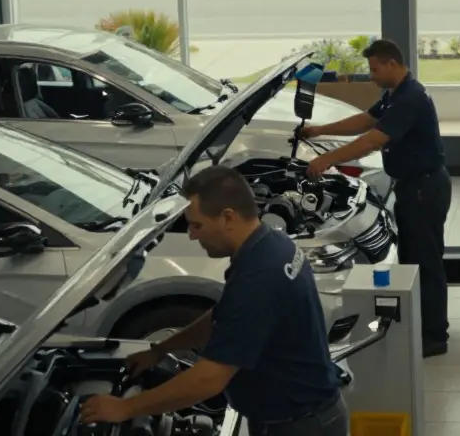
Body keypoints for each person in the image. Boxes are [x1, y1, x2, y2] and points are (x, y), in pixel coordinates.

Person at [79, 166, 346, 435]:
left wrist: (125, 409)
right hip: (301, 415)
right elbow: (223, 317)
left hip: (300, 426)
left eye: (197, 225)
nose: (192, 235)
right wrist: (160, 350)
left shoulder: (259, 276)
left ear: (227, 217)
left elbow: (209, 379)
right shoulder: (271, 244)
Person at [301, 39, 452, 357]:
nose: (371, 75)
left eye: (374, 68)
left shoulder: (410, 98)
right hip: (415, 186)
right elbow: (365, 120)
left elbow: (372, 139)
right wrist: (318, 131)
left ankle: (435, 336)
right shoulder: (396, 94)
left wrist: (326, 161)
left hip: (424, 188)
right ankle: (421, 325)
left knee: (425, 262)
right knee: (413, 259)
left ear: (392, 64)